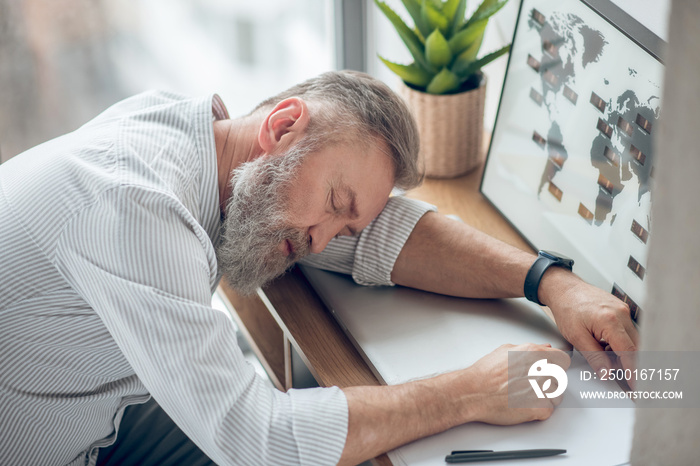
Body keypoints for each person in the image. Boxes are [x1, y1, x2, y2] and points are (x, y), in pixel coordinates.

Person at [0, 71, 637, 466]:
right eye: (335, 204)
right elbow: (262, 443)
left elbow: (381, 234)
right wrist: (472, 390)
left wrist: (553, 283)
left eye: (344, 222)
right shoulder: (132, 206)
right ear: (283, 126)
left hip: (103, 415)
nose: (322, 241)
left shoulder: (205, 145)